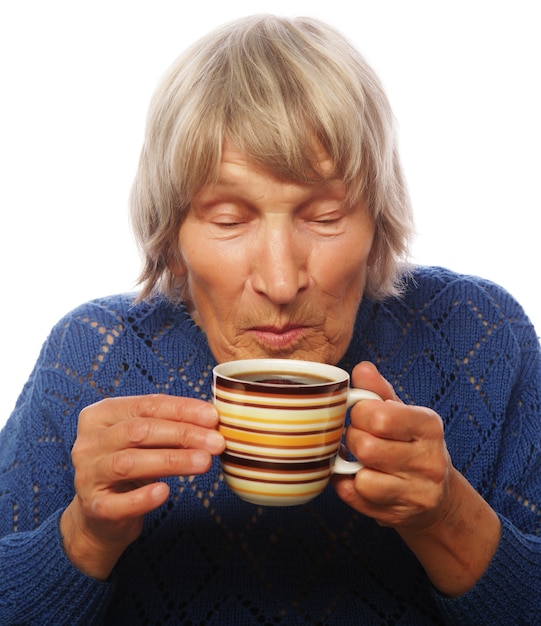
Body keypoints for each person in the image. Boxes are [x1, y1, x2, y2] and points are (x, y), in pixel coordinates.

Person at [1, 14, 540, 625]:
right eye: (230, 219)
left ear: (378, 224)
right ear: (171, 240)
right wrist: (83, 537)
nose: (281, 282)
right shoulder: (90, 357)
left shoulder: (483, 337)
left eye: (326, 216)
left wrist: (447, 519)